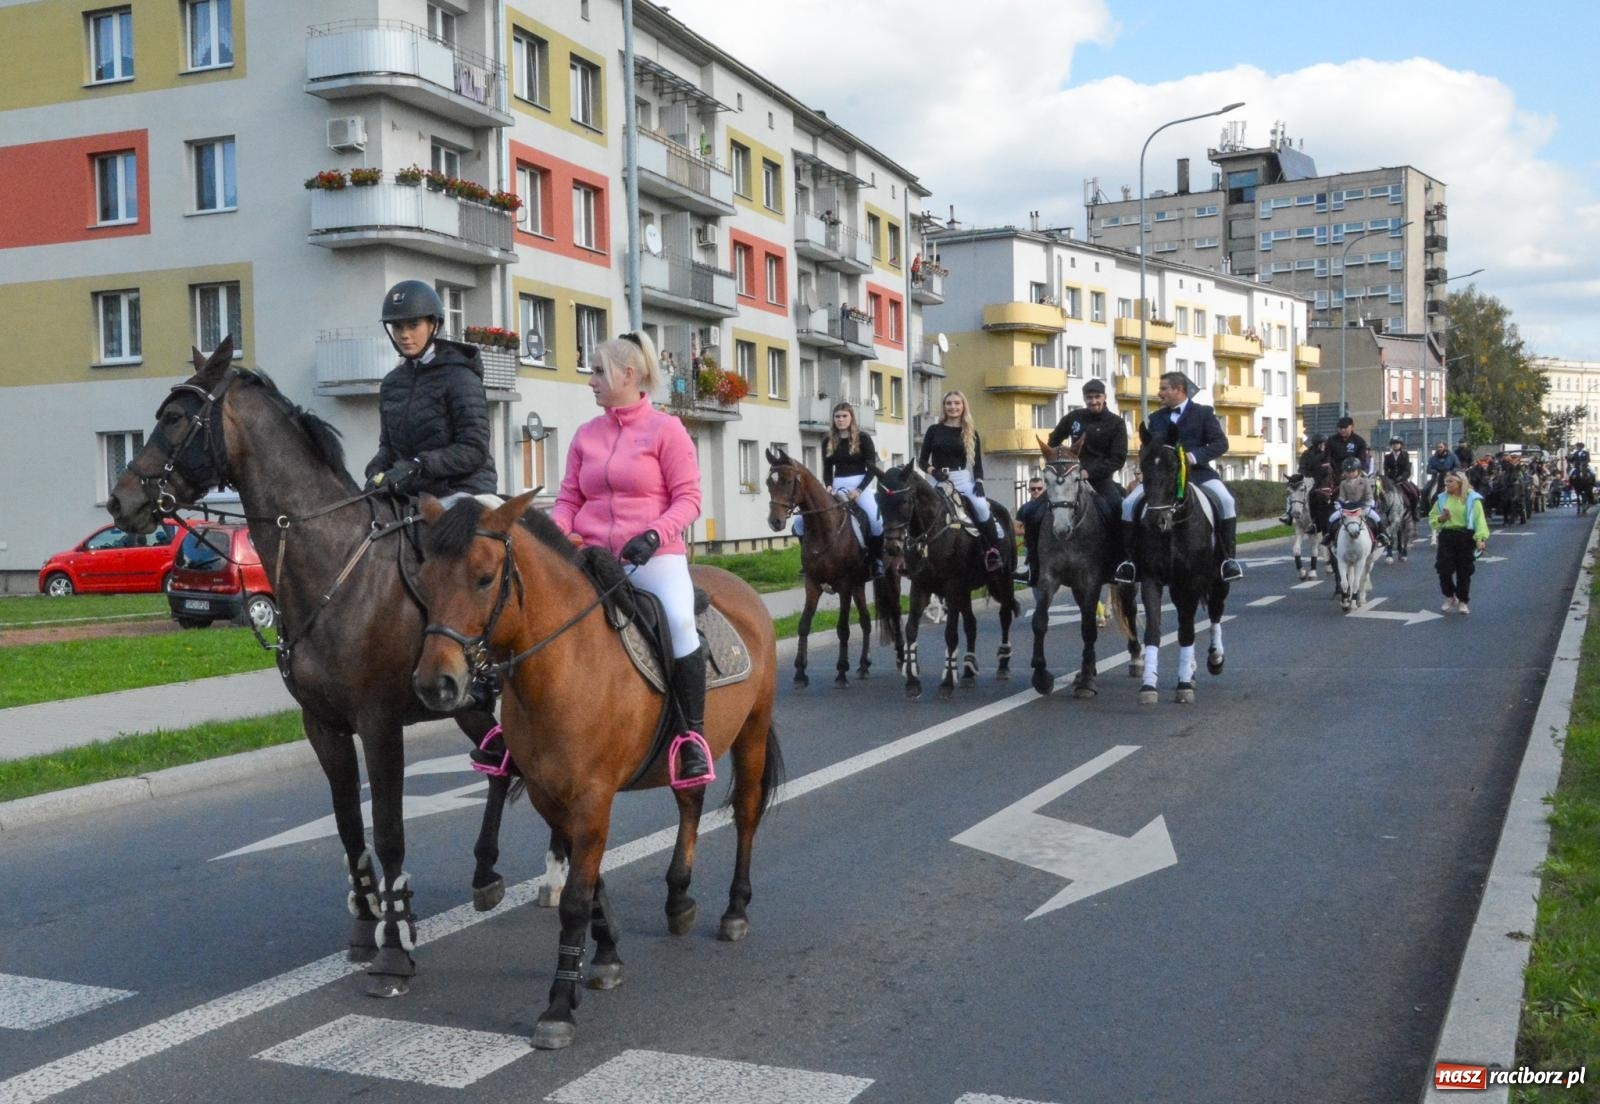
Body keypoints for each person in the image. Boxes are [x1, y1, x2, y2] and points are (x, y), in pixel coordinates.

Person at [549, 331, 713, 789]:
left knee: (680, 622)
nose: (591, 381)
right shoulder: (585, 435)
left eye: (598, 371)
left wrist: (655, 533)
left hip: (653, 557)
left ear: (628, 374)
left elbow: (690, 498)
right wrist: (553, 532)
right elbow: (568, 499)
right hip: (592, 555)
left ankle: (692, 738)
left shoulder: (667, 430)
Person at [364, 280, 496, 503]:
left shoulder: (461, 377)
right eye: (397, 327)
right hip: (414, 491)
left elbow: (473, 449)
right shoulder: (391, 384)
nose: (404, 335)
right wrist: (376, 469)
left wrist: (418, 466)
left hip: (463, 492)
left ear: (433, 325)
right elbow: (388, 446)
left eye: (413, 325)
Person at [1114, 371, 1243, 583]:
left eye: (1164, 388)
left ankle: (1228, 560)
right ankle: (1128, 562)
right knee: (1128, 504)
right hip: (1163, 478)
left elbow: (1220, 443)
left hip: (1199, 473)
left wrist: (1194, 456)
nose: (1159, 393)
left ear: (1179, 390)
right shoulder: (1156, 419)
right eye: (1160, 388)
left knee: (1226, 501)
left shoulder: (1203, 413)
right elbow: (1151, 450)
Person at [918, 389, 1009, 576]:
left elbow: (977, 464)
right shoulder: (934, 430)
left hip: (963, 479)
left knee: (981, 507)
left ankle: (992, 550)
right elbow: (922, 461)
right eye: (949, 403)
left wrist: (979, 482)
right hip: (939, 480)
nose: (953, 407)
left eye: (956, 403)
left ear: (963, 406)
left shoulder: (970, 431)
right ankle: (916, 553)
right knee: (923, 511)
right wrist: (933, 471)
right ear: (944, 407)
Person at [1047, 378, 1129, 519]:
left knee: (1116, 507)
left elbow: (1118, 459)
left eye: (1097, 397)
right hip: (1069, 478)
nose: (1093, 401)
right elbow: (1053, 440)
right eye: (1089, 397)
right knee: (1032, 511)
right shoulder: (1074, 417)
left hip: (1101, 481)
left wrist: (1089, 473)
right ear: (1084, 398)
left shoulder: (1116, 423)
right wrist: (1063, 463)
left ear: (1105, 397)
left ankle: (1117, 542)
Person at [820, 402, 885, 577]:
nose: (840, 420)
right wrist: (828, 486)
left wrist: (859, 490)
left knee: (875, 518)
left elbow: (871, 468)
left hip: (860, 483)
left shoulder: (863, 438)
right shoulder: (827, 440)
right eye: (837, 417)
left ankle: (877, 559)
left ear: (851, 418)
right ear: (833, 419)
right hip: (837, 483)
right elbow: (827, 470)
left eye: (844, 416)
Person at [1429, 470, 1489, 614]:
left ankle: (1463, 600)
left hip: (1465, 536)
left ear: (1460, 483)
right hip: (1447, 535)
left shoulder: (1472, 499)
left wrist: (1480, 538)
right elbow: (1433, 518)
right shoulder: (1442, 498)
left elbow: (1479, 520)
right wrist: (1441, 518)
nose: (1447, 484)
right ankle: (1450, 596)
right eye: (1446, 481)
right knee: (1443, 568)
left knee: (1464, 570)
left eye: (1450, 481)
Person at [1282, 434, 1329, 523]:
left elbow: (1328, 468)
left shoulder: (1327, 454)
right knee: (1292, 492)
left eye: (1325, 444)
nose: (1324, 446)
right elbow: (1302, 468)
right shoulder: (1306, 454)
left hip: (1323, 480)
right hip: (1308, 479)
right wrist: (1306, 475)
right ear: (1317, 444)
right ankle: (1288, 515)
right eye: (1323, 444)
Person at [1014, 475, 1048, 585]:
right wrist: (1031, 531)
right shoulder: (1024, 508)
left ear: (1044, 489)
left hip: (1049, 548)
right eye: (1033, 489)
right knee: (1035, 580)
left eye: (1039, 488)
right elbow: (1016, 529)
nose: (1036, 491)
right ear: (1029, 490)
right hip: (1030, 547)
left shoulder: (1050, 506)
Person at [1382, 437, 1420, 519]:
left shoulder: (1405, 455)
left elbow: (1407, 469)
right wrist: (1388, 478)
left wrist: (1402, 477)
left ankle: (1414, 511)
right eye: (1393, 444)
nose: (1395, 445)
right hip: (1391, 480)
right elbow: (1385, 469)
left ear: (1401, 445)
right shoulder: (1387, 457)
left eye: (1397, 443)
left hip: (1402, 480)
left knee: (1414, 492)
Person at [1423, 441, 1457, 512]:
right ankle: (1425, 509)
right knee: (1424, 490)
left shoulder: (1452, 456)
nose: (1439, 448)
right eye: (1438, 447)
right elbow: (1428, 469)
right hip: (1436, 478)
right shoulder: (1433, 458)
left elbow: (1458, 466)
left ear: (1445, 447)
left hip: (1450, 478)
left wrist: (1450, 472)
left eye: (1441, 447)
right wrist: (1436, 472)